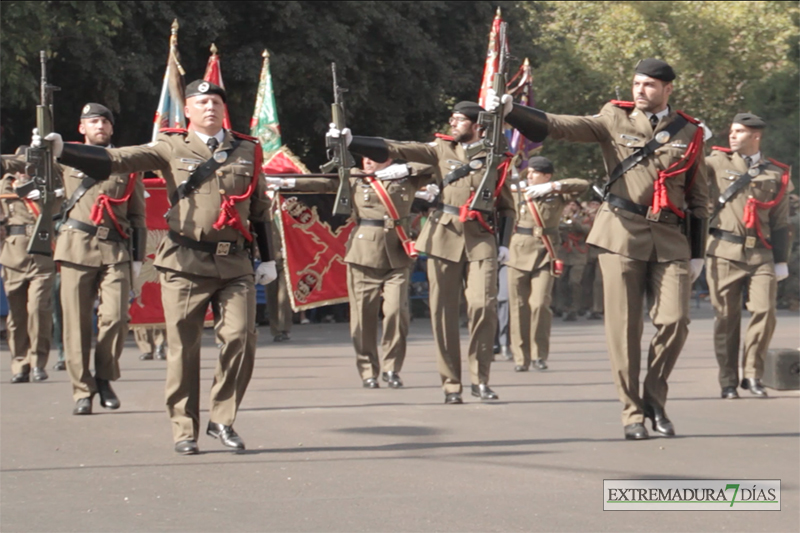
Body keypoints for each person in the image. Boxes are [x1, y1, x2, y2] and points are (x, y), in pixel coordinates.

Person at [43, 80, 277, 454]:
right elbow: (119, 160)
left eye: (215, 101)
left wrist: (268, 257)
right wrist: (64, 151)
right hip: (184, 262)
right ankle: (185, 428)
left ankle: (222, 418)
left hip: (234, 261)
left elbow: (261, 208)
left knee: (240, 339)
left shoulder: (247, 150)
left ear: (224, 108)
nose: (209, 108)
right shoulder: (171, 145)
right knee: (183, 348)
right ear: (187, 110)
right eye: (201, 102)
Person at [496, 58, 709, 439]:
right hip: (621, 234)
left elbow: (697, 197)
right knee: (623, 329)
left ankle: (654, 397)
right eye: (636, 83)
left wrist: (697, 252)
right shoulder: (614, 117)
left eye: (649, 85)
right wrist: (513, 111)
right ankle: (632, 413)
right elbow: (562, 126)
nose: (640, 91)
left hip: (671, 238)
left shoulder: (690, 132)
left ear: (667, 90)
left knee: (675, 322)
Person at [329, 101, 515, 403]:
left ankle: (480, 379)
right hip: (443, 235)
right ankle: (452, 384)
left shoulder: (498, 157)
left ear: (478, 125)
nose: (452, 124)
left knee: (483, 306)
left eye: (459, 120)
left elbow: (506, 205)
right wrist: (351, 140)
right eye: (451, 119)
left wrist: (504, 242)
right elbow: (398, 147)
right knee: (443, 313)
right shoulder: (440, 150)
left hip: (481, 237)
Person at [268, 157, 434, 388]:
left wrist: (405, 168)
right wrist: (285, 183)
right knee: (363, 317)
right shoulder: (354, 178)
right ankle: (368, 368)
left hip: (397, 253)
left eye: (374, 159)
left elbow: (433, 163)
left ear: (387, 160)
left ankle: (391, 368)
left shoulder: (404, 178)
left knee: (397, 312)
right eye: (365, 158)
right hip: (363, 254)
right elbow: (323, 183)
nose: (367, 163)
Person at [50, 103, 145, 416]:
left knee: (116, 317)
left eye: (105, 121)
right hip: (76, 246)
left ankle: (104, 376)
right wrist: (40, 145)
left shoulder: (128, 164)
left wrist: (137, 258)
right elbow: (30, 164)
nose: (99, 125)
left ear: (111, 128)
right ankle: (82, 390)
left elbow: (138, 216)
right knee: (76, 325)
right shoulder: (65, 158)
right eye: (93, 121)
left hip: (115, 249)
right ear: (82, 128)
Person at [705, 113, 791, 399]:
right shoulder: (716, 162)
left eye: (739, 131)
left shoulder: (776, 172)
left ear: (756, 136)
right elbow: (687, 171)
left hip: (761, 254)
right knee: (726, 319)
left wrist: (781, 260)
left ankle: (753, 374)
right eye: (731, 130)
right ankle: (728, 380)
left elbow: (780, 222)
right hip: (724, 252)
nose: (732, 135)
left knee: (765, 313)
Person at [506, 156, 589, 372]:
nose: (530, 175)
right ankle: (520, 357)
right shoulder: (517, 191)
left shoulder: (556, 194)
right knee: (518, 306)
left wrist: (553, 187)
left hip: (546, 251)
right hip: (517, 251)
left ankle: (539, 354)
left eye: (535, 172)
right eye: (529, 172)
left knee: (540, 304)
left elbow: (583, 185)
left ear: (547, 175)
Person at [0, 150, 63, 383]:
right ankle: (19, 362)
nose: (22, 170)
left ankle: (38, 362)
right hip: (13, 256)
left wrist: (35, 191)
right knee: (16, 317)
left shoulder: (47, 188)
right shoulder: (3, 187)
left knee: (39, 310)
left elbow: (58, 208)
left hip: (42, 254)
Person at [554, 199, 590, 322]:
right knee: (561, 282)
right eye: (568, 205)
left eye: (573, 204)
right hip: (563, 253)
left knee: (574, 282)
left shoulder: (584, 217)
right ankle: (561, 307)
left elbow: (587, 230)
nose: (570, 207)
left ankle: (574, 309)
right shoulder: (559, 216)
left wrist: (574, 222)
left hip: (578, 254)